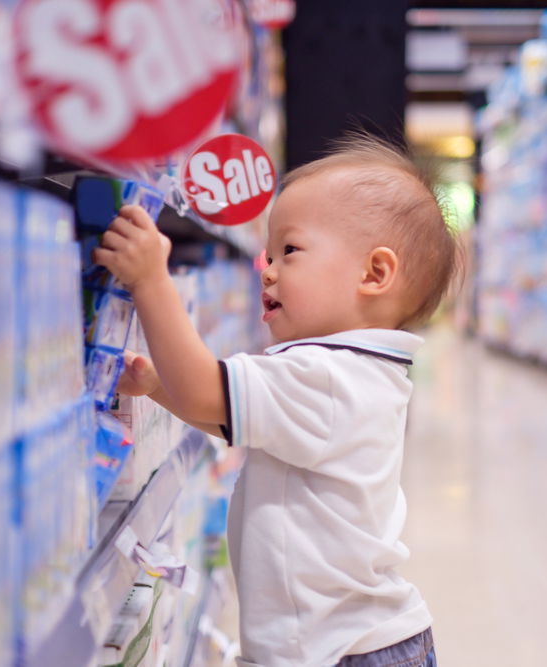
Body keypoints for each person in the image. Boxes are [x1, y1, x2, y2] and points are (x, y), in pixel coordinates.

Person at [94, 132, 460, 666]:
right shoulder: (353, 368)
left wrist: (152, 280)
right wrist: (157, 389)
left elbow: (205, 389)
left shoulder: (327, 374)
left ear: (374, 273)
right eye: (268, 251)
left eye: (290, 250)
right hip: (354, 644)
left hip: (341, 653)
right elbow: (228, 418)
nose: (266, 269)